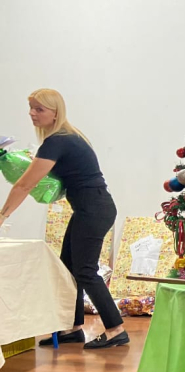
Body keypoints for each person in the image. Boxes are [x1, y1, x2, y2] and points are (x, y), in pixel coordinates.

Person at [0, 89, 127, 349]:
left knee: (85, 270)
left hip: (93, 209)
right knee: (68, 267)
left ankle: (116, 330)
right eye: (31, 108)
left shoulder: (57, 141)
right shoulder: (67, 137)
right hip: (91, 208)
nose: (32, 113)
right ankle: (73, 328)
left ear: (55, 112)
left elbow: (24, 185)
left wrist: (3, 215)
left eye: (39, 109)